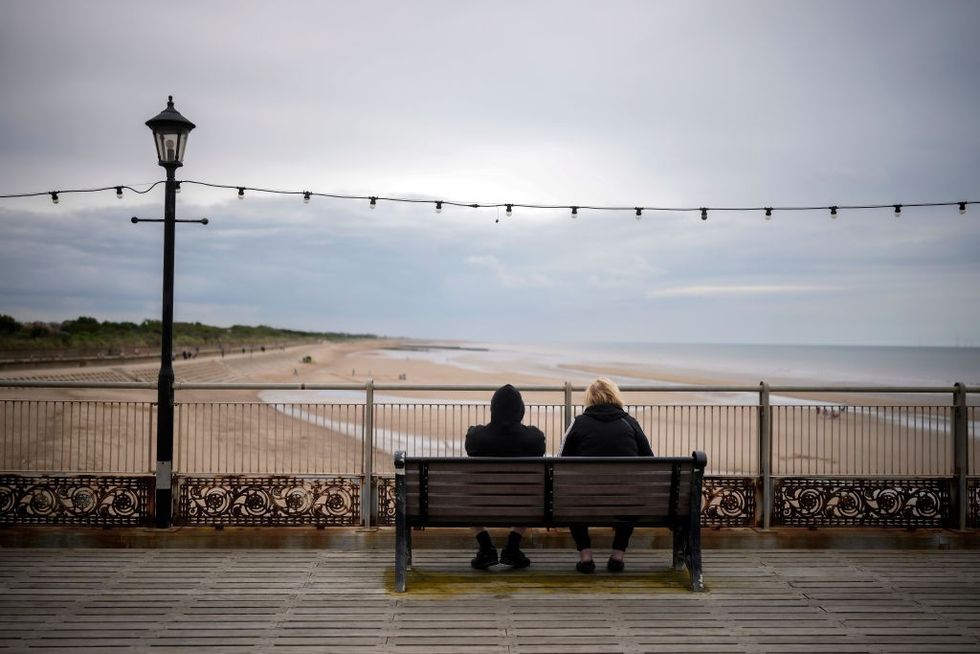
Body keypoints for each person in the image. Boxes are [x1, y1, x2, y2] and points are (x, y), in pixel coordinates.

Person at [560, 376, 653, 573]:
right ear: (614, 396)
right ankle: (617, 555)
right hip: (624, 501)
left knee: (572, 499)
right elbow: (650, 460)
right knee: (630, 495)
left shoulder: (579, 423)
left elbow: (561, 462)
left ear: (590, 399)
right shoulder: (630, 423)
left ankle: (586, 557)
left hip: (585, 501)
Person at [465, 384, 546, 570]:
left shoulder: (477, 438)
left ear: (493, 409)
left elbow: (471, 437)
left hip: (481, 505)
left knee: (468, 494)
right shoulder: (533, 439)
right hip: (522, 505)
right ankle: (512, 546)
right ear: (520, 410)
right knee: (533, 492)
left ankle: (486, 547)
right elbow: (539, 444)